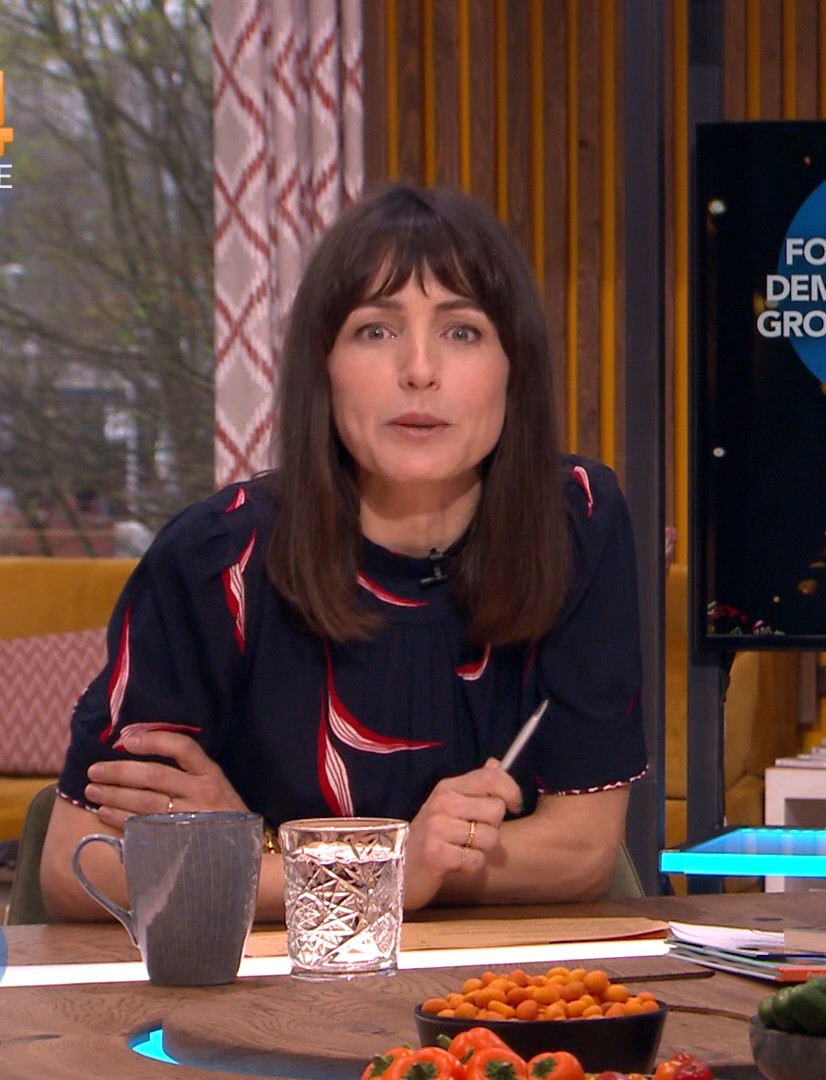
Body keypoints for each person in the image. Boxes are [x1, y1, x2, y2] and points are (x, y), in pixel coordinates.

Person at [41, 186, 646, 921]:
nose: (419, 369)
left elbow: (581, 852)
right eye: (375, 330)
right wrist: (390, 873)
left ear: (514, 366)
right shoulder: (215, 561)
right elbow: (79, 864)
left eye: (462, 331)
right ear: (322, 367)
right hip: (280, 979)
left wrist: (266, 855)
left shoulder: (577, 520)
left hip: (501, 978)